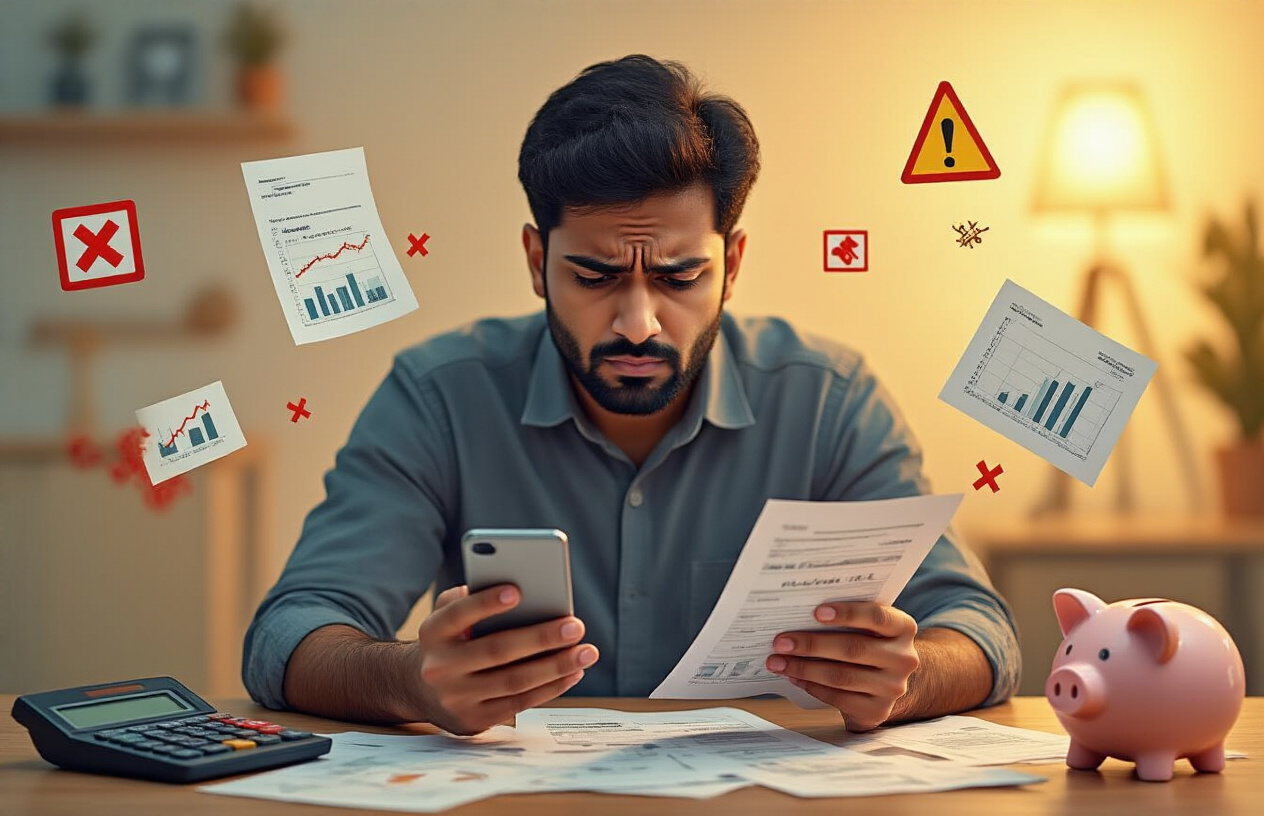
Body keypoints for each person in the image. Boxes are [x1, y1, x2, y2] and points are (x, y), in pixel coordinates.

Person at [243, 54, 1020, 737]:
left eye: (681, 277)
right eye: (594, 276)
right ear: (535, 259)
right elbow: (292, 632)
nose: (639, 324)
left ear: (734, 264)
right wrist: (409, 678)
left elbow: (981, 632)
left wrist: (905, 676)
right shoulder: (439, 396)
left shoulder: (829, 400)